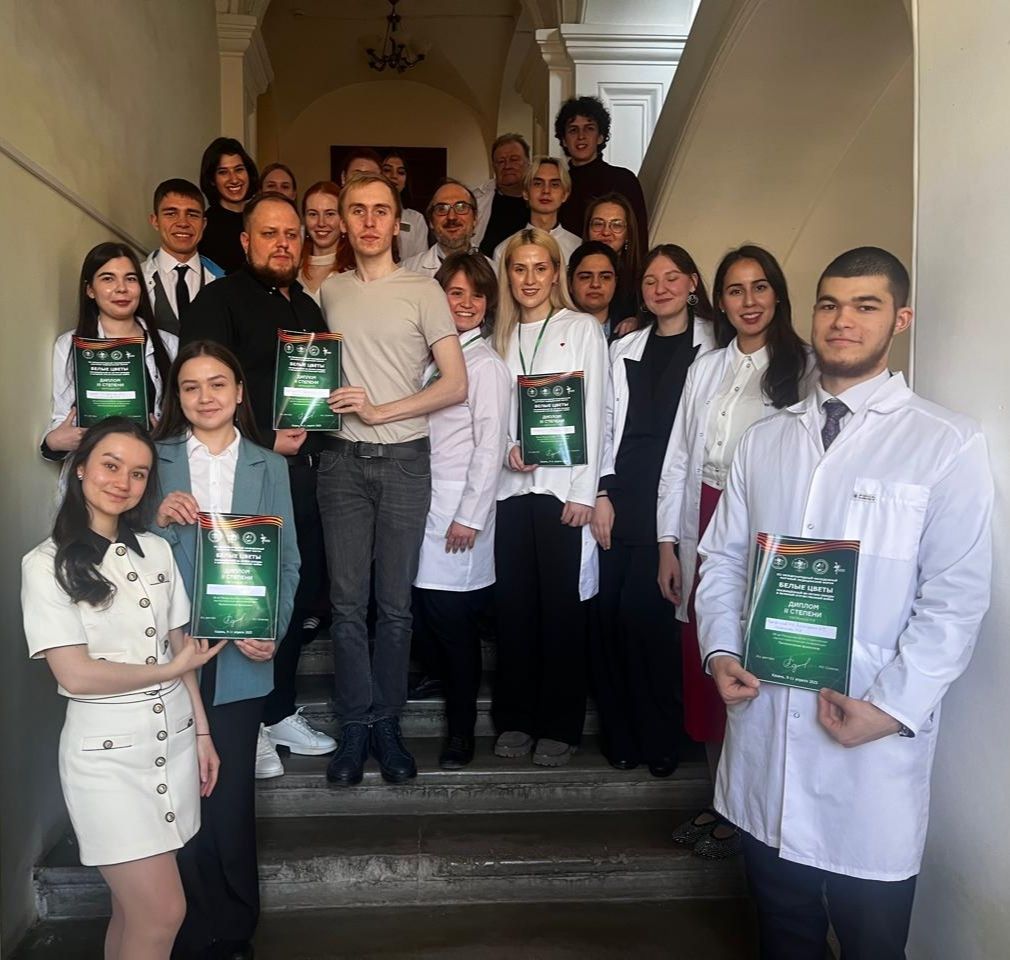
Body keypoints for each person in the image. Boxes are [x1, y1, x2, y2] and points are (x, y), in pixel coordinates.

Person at [696, 247, 992, 959]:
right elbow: (724, 560)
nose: (842, 320)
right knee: (782, 931)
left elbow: (955, 599)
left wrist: (891, 708)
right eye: (829, 304)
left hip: (869, 743)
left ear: (901, 319)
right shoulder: (765, 440)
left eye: (865, 305)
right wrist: (720, 650)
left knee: (872, 942)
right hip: (767, 725)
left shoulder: (944, 443)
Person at [21, 417, 224, 960]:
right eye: (110, 466)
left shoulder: (155, 550)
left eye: (137, 473)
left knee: (132, 912)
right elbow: (75, 674)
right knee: (163, 912)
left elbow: (179, 647)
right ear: (80, 468)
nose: (122, 482)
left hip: (173, 742)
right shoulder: (44, 565)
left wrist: (202, 732)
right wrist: (168, 669)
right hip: (107, 761)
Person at [656, 244, 814, 859]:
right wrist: (668, 546)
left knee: (759, 666)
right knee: (707, 662)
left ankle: (751, 809)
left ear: (777, 293)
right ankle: (722, 798)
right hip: (701, 517)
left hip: (767, 530)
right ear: (718, 301)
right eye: (735, 290)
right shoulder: (706, 366)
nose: (748, 301)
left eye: (759, 287)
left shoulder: (803, 366)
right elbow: (678, 458)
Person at [152, 341, 299, 960]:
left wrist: (274, 630)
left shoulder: (270, 466)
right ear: (177, 397)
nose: (205, 396)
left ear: (240, 393)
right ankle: (188, 923)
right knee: (178, 789)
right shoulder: (154, 460)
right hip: (168, 650)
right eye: (190, 386)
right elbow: (121, 544)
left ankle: (235, 926)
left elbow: (287, 563)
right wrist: (158, 516)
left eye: (217, 384)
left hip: (241, 653)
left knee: (230, 793)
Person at [181, 192, 337, 778]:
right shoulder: (218, 300)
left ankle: (278, 709)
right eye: (270, 234)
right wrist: (267, 440)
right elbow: (201, 385)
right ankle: (245, 725)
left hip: (306, 474)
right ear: (245, 241)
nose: (282, 244)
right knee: (243, 594)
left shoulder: (309, 307)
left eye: (292, 234)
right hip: (244, 470)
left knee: (292, 590)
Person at [319, 171, 467, 786]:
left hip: (405, 459)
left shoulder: (424, 289)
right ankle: (354, 723)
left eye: (381, 210)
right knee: (346, 605)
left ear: (398, 221)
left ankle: (388, 722)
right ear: (343, 222)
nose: (369, 221)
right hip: (340, 464)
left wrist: (382, 410)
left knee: (396, 607)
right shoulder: (328, 290)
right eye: (358, 210)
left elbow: (454, 383)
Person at [590, 244, 716, 779]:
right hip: (623, 494)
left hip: (678, 497)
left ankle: (661, 736)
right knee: (611, 619)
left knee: (652, 620)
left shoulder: (717, 345)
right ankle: (621, 736)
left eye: (671, 277)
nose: (660, 288)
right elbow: (603, 425)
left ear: (692, 282)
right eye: (649, 280)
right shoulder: (624, 347)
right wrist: (602, 492)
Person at [491, 227, 608, 767]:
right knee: (514, 611)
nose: (530, 279)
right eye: (520, 268)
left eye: (540, 268)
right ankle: (515, 719)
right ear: (507, 275)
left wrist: (585, 490)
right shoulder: (498, 336)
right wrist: (507, 448)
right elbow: (491, 412)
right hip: (511, 491)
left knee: (561, 611)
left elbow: (596, 409)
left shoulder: (580, 327)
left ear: (555, 273)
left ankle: (559, 725)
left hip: (563, 492)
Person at [412, 253, 511, 768]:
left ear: (488, 303)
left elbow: (489, 447)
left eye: (477, 294)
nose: (466, 303)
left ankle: (461, 731)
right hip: (424, 504)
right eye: (456, 292)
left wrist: (470, 516)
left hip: (458, 512)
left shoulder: (486, 366)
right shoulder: (432, 360)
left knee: (454, 625)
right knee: (428, 612)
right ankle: (438, 685)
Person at [42, 242, 177, 462]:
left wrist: (167, 433)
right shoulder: (68, 345)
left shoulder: (170, 345)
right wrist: (53, 442)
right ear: (90, 290)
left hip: (153, 466)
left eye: (130, 279)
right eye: (108, 279)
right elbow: (61, 417)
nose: (121, 288)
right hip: (93, 467)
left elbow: (184, 417)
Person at [555, 96, 648, 254]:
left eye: (589, 128)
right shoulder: (558, 185)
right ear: (564, 140)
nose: (581, 136)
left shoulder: (624, 180)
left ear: (600, 137)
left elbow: (639, 239)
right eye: (573, 130)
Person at [143, 179, 225, 336]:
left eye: (192, 215)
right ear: (155, 221)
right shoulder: (137, 280)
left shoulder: (222, 280)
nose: (182, 223)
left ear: (204, 224)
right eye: (171, 214)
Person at [492, 155, 581, 267]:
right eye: (538, 184)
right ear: (525, 192)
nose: (546, 191)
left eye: (554, 185)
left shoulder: (578, 247)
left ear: (565, 195)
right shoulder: (504, 250)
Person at [402, 179, 490, 278]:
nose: (451, 217)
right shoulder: (407, 271)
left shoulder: (494, 271)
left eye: (461, 207)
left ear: (475, 219)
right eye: (441, 209)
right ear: (431, 222)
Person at [198, 137, 259, 275]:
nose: (234, 179)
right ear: (212, 180)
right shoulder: (204, 226)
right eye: (223, 172)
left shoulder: (261, 217)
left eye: (239, 169)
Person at [584, 193, 642, 326]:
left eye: (616, 225)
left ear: (628, 234)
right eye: (598, 224)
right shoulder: (570, 273)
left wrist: (639, 320)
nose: (606, 232)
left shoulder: (642, 277)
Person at [474, 133, 531, 256]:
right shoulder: (478, 201)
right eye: (500, 161)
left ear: (528, 162)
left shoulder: (541, 200)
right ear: (494, 167)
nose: (507, 166)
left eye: (514, 159)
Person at [298, 180, 351, 302]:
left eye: (330, 214)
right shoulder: (291, 268)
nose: (321, 223)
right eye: (313, 214)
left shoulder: (356, 271)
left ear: (343, 219)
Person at [566, 241, 624, 341]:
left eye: (605, 277)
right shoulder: (554, 329)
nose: (595, 284)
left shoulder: (630, 332)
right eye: (585, 277)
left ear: (615, 282)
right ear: (570, 283)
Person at [381, 150, 429, 261]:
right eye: (387, 170)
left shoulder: (416, 219)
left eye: (401, 172)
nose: (394, 176)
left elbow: (420, 261)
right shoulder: (368, 217)